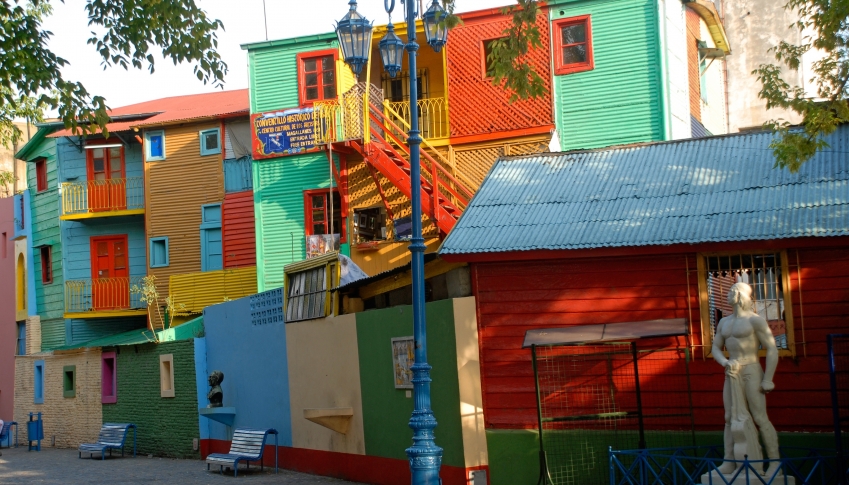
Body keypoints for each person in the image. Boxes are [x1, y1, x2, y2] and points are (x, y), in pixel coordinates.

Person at [711, 281, 780, 477]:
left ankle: (774, 462)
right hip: (731, 370)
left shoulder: (755, 320)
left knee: (759, 417)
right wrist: (725, 362)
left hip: (751, 368)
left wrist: (768, 378)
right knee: (728, 417)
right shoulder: (724, 322)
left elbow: (772, 348)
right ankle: (729, 460)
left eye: (733, 291)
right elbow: (715, 347)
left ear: (742, 295)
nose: (729, 293)